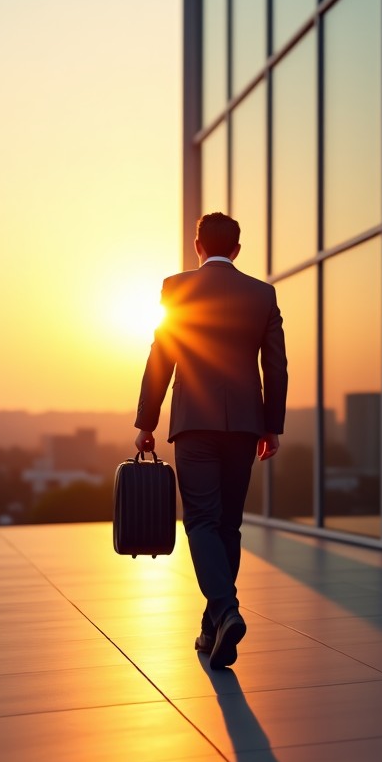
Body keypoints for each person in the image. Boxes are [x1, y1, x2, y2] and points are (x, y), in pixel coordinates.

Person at [133, 212, 287, 670]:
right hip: (243, 425)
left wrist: (146, 421)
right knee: (228, 526)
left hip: (193, 423)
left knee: (201, 521)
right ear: (237, 249)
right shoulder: (262, 294)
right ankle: (211, 627)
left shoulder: (176, 288)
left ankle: (224, 610)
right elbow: (276, 367)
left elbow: (162, 354)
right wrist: (271, 425)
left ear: (197, 245)